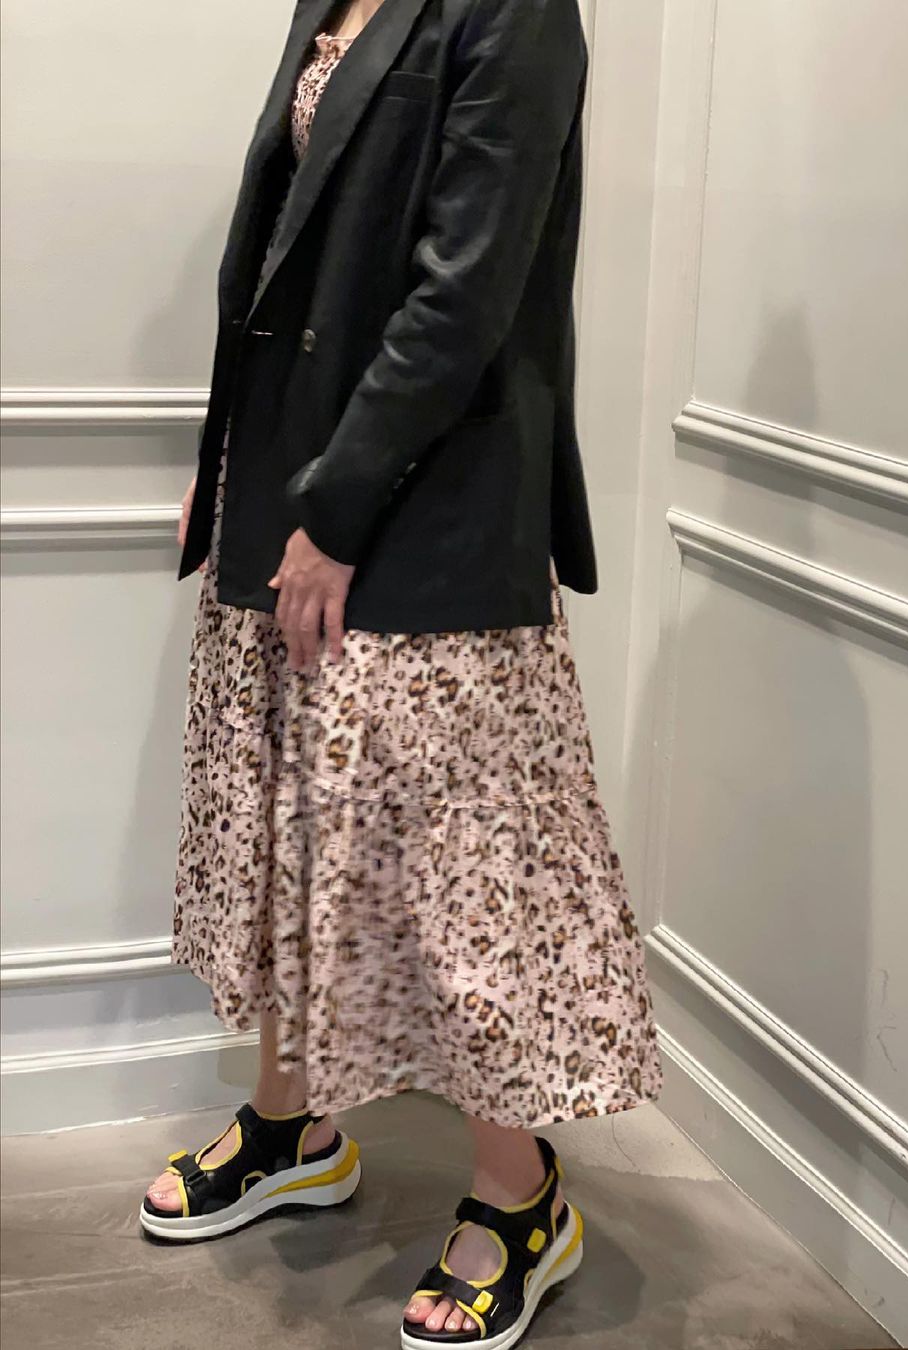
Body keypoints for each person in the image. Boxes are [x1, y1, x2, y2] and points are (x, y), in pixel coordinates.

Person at [140, 1, 663, 1345]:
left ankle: (521, 1194)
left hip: (420, 509)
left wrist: (336, 510)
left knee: (456, 876)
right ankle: (293, 1127)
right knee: (288, 833)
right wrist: (226, 465)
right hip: (290, 488)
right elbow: (280, 250)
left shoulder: (517, 10)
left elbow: (465, 289)